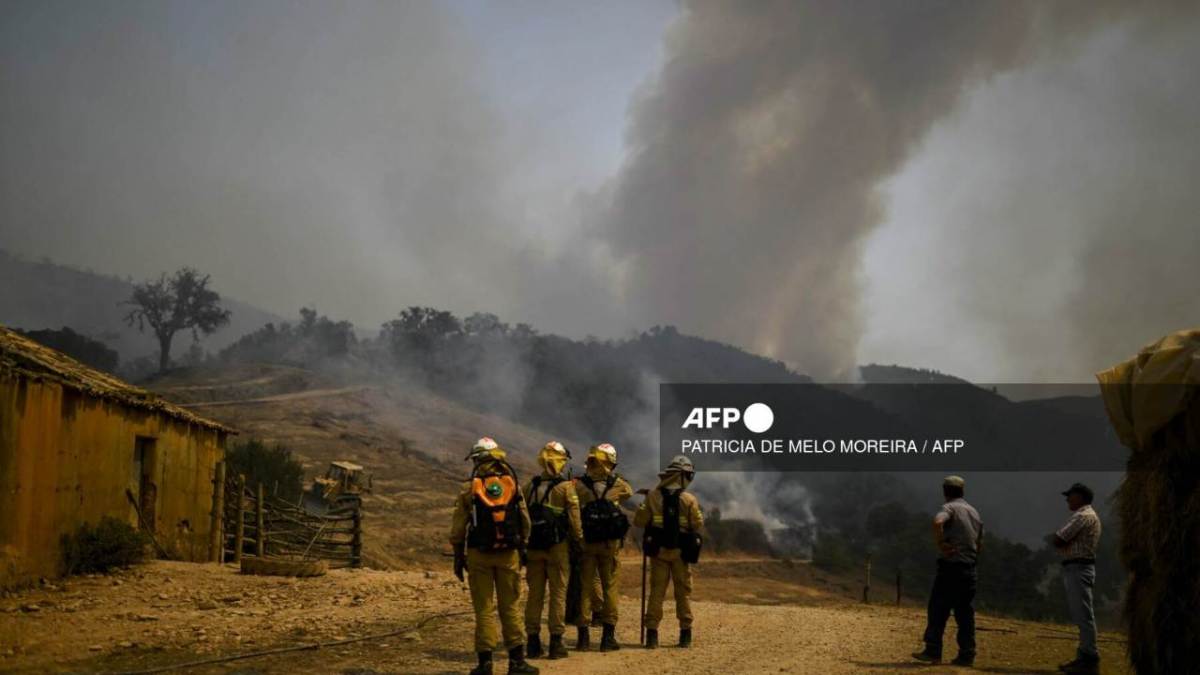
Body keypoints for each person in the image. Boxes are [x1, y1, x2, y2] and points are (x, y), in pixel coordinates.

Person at [449, 437, 538, 675]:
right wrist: (523, 547)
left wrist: (458, 556)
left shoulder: (469, 488)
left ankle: (485, 664)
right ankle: (517, 663)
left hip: (479, 554)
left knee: (484, 609)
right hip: (509, 553)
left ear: (477, 459)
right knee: (510, 607)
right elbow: (525, 521)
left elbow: (458, 528)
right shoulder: (512, 484)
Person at [633, 454, 704, 649]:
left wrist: (647, 503)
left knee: (657, 592)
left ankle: (652, 636)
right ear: (682, 476)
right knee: (683, 593)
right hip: (681, 553)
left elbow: (639, 521)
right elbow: (697, 524)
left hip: (659, 553)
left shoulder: (653, 496)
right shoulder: (689, 499)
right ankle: (685, 635)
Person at [913, 475, 983, 667]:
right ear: (962, 491)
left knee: (937, 608)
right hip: (969, 569)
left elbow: (937, 522)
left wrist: (941, 543)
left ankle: (933, 650)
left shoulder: (949, 508)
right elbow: (979, 541)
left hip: (951, 568)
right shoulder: (974, 512)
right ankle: (966, 655)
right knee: (964, 613)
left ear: (945, 491)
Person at [523, 441, 584, 660]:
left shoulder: (530, 485)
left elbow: (521, 514)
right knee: (558, 594)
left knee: (535, 596)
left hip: (533, 548)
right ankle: (556, 643)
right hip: (558, 548)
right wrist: (578, 542)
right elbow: (575, 522)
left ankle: (532, 642)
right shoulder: (566, 487)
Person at [573, 442, 632, 651]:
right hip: (610, 545)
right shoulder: (618, 485)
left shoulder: (580, 486)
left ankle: (583, 638)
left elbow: (573, 499)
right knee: (610, 588)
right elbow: (629, 493)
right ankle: (608, 638)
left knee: (585, 589)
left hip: (588, 544)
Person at [1052, 483, 1102, 675]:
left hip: (1078, 567)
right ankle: (1084, 656)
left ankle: (1089, 658)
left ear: (1080, 497)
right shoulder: (1089, 516)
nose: (1067, 499)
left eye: (1070, 496)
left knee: (1083, 615)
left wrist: (1062, 541)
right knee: (1082, 614)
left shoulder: (1082, 516)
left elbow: (1059, 539)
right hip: (1080, 567)